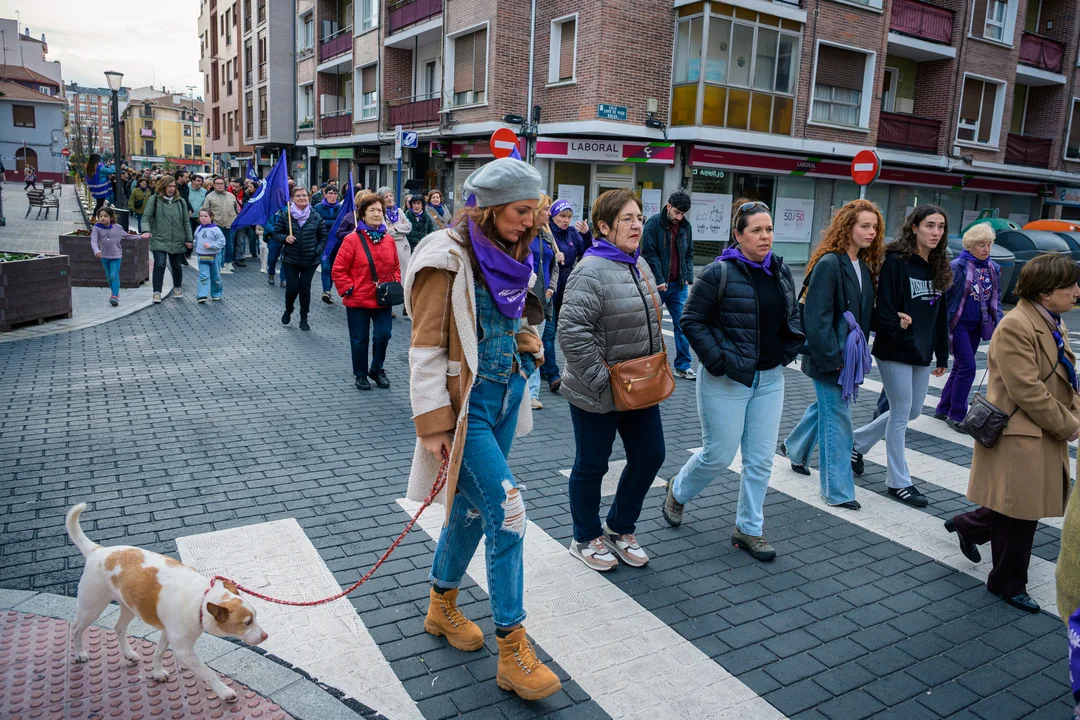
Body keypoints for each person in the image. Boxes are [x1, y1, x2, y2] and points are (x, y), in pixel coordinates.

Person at [404, 157, 559, 701]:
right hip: (465, 408)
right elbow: (425, 346)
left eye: (534, 211)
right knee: (510, 512)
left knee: (473, 510)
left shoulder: (514, 251)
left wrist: (527, 344)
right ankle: (512, 649)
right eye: (521, 212)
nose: (530, 222)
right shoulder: (444, 256)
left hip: (505, 398)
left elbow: (512, 319)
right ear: (488, 209)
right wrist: (432, 424)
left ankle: (441, 604)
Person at [662, 199, 804, 561]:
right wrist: (717, 360)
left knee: (760, 460)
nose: (765, 236)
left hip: (770, 379)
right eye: (756, 230)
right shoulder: (718, 273)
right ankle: (678, 490)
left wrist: (789, 348)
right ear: (738, 235)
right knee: (719, 454)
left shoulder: (780, 270)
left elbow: (792, 313)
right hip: (726, 380)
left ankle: (749, 528)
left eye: (769, 229)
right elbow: (691, 319)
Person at [949, 254, 1080, 614]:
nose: (1077, 292)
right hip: (1020, 432)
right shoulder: (1016, 326)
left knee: (1017, 505)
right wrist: (1069, 424)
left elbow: (1067, 376)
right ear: (1045, 291)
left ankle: (968, 526)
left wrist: (1074, 412)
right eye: (1070, 286)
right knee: (1021, 512)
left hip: (1041, 428)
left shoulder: (1051, 319)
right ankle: (1007, 583)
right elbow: (1027, 389)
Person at [559, 189, 666, 572]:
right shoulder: (589, 270)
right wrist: (602, 380)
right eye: (627, 219)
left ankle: (620, 527)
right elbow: (572, 332)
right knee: (592, 465)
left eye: (639, 217)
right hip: (598, 391)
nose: (637, 225)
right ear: (604, 227)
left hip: (640, 387)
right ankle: (585, 536)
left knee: (651, 455)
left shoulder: (640, 265)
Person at [782, 199, 884, 510]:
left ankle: (795, 447)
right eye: (864, 226)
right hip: (832, 357)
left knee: (827, 409)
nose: (871, 232)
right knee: (838, 419)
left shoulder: (861, 264)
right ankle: (837, 490)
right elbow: (817, 318)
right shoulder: (829, 263)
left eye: (874, 226)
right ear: (847, 227)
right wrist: (831, 359)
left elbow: (864, 314)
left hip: (848, 357)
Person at [851, 205, 952, 507]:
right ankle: (899, 482)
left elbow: (940, 314)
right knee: (900, 413)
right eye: (930, 225)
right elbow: (884, 312)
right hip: (895, 349)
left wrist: (942, 354)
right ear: (915, 228)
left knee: (913, 411)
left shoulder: (938, 263)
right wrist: (906, 337)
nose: (936, 232)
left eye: (941, 227)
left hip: (921, 351)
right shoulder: (896, 262)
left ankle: (856, 443)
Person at [935, 223, 1004, 429]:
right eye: (981, 245)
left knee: (960, 366)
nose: (986, 249)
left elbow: (996, 299)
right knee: (968, 367)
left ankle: (943, 408)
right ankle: (957, 415)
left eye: (989, 244)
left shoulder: (993, 268)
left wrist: (1000, 324)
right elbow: (944, 296)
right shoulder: (958, 266)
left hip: (978, 325)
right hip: (958, 324)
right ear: (970, 246)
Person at [332, 194, 399, 390]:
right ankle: (360, 374)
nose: (377, 214)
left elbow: (396, 266)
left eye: (379, 210)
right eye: (372, 210)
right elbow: (339, 269)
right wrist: (349, 289)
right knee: (359, 339)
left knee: (384, 335)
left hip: (382, 299)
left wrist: (395, 283)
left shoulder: (389, 240)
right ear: (362, 215)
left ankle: (377, 369)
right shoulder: (352, 239)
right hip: (358, 299)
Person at [641, 190, 696, 380]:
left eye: (682, 214)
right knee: (650, 325)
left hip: (678, 285)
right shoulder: (653, 224)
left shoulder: (686, 227)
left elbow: (689, 254)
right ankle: (649, 366)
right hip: (657, 285)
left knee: (683, 324)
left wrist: (688, 276)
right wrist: (659, 279)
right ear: (668, 206)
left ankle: (683, 366)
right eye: (677, 212)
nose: (679, 217)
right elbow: (649, 253)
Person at [542, 199, 590, 393]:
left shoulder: (572, 234)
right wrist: (554, 257)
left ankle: (546, 366)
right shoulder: (546, 232)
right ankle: (553, 374)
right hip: (551, 286)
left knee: (568, 330)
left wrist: (586, 235)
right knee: (549, 331)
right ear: (553, 217)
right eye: (562, 216)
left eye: (568, 217)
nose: (565, 220)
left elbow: (587, 253)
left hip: (569, 286)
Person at [273, 186, 327, 331]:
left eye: (304, 195)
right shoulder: (286, 216)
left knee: (304, 288)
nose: (302, 198)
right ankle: (289, 308)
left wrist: (317, 251)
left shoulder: (315, 216)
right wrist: (285, 238)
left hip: (310, 260)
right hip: (291, 259)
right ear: (292, 199)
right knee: (292, 287)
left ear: (309, 198)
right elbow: (276, 233)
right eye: (298, 196)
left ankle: (304, 317)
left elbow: (323, 237)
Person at [527, 195, 559, 409]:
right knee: (531, 344)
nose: (549, 213)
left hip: (545, 299)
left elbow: (555, 265)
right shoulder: (523, 235)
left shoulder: (547, 236)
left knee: (538, 343)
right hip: (528, 299)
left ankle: (532, 392)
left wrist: (551, 289)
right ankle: (529, 393)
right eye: (546, 209)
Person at [144, 174, 194, 303]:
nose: (172, 189)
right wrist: (146, 231)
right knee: (160, 264)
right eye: (169, 186)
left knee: (176, 265)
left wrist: (189, 239)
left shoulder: (181, 202)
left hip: (177, 238)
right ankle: (157, 292)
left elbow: (186, 222)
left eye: (174, 186)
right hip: (159, 238)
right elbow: (146, 218)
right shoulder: (154, 200)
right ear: (163, 187)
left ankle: (177, 287)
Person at [91, 207, 150, 307]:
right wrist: (97, 251)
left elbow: (127, 236)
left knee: (114, 275)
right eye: (100, 216)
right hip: (104, 256)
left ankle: (114, 296)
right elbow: (93, 241)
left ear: (111, 217)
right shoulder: (96, 228)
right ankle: (115, 292)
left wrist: (141, 236)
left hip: (116, 256)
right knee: (109, 277)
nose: (102, 218)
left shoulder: (117, 228)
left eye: (105, 216)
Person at [377, 187, 413, 317]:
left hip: (404, 248)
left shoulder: (399, 211)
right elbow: (385, 230)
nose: (389, 199)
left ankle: (406, 305)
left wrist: (395, 228)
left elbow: (409, 227)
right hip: (389, 247)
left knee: (406, 276)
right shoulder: (380, 213)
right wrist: (400, 230)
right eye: (386, 197)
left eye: (390, 196)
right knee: (389, 277)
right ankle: (388, 305)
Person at [203, 177, 240, 274]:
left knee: (230, 246)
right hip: (216, 225)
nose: (220, 185)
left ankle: (228, 263)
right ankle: (219, 264)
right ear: (214, 185)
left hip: (230, 224)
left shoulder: (231, 196)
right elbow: (205, 211)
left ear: (225, 185)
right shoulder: (209, 197)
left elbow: (237, 210)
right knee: (218, 246)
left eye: (222, 183)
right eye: (218, 183)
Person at [313, 185, 343, 305]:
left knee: (333, 268)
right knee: (325, 267)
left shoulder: (341, 208)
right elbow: (316, 222)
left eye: (335, 193)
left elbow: (342, 223)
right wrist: (333, 223)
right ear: (325, 195)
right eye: (330, 193)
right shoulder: (318, 207)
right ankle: (326, 291)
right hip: (324, 242)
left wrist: (326, 222)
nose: (333, 196)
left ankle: (328, 291)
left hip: (337, 242)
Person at [193, 208, 226, 303]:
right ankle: (202, 295)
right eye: (201, 216)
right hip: (202, 256)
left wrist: (211, 245)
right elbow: (196, 239)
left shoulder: (215, 229)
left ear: (211, 217)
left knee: (215, 276)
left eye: (205, 216)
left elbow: (222, 242)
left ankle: (216, 293)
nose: (203, 218)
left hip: (214, 256)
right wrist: (193, 244)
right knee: (203, 275)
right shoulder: (198, 229)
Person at [187, 175, 208, 239]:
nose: (200, 182)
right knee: (190, 235)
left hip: (200, 217)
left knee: (199, 235)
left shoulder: (204, 191)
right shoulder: (187, 190)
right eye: (198, 181)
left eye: (201, 181)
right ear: (193, 181)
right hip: (189, 217)